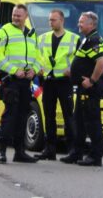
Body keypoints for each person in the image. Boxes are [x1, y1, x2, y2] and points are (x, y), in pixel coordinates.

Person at [0, 4, 41, 164]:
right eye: (14, 15)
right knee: (10, 116)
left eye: (19, 15)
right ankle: (2, 150)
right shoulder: (4, 31)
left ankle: (19, 152)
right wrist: (13, 70)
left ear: (26, 16)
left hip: (26, 82)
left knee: (22, 116)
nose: (15, 18)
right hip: (11, 81)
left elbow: (39, 57)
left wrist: (34, 69)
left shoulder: (31, 35)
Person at [61, 11, 103, 167]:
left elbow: (102, 62)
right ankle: (77, 153)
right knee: (79, 121)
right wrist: (74, 71)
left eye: (82, 22)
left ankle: (95, 157)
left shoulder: (93, 39)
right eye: (79, 21)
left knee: (92, 122)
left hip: (90, 89)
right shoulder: (88, 39)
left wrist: (92, 80)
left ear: (91, 24)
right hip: (83, 89)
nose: (78, 24)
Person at [36, 9, 79, 161]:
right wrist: (38, 69)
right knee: (49, 116)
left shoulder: (74, 39)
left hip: (64, 82)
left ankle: (72, 150)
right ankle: (50, 149)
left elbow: (80, 59)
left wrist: (73, 71)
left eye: (53, 20)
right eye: (49, 20)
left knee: (69, 116)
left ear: (62, 20)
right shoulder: (42, 38)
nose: (50, 23)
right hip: (48, 81)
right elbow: (37, 56)